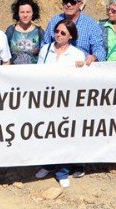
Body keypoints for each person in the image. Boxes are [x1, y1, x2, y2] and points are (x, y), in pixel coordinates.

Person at [35, 20, 87, 187]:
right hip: (47, 99)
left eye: (63, 32)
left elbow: (81, 80)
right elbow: (37, 72)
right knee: (47, 133)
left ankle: (62, 171)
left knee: (64, 136)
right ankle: (48, 165)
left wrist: (82, 67)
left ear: (71, 36)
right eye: (57, 31)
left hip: (67, 102)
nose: (58, 34)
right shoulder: (46, 49)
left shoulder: (77, 54)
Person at [41, 0, 106, 64]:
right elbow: (45, 44)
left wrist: (93, 57)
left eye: (72, 1)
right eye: (65, 1)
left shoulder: (91, 25)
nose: (68, 5)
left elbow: (99, 50)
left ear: (80, 4)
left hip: (80, 69)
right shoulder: (54, 22)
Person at [5, 0, 44, 65]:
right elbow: (4, 53)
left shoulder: (39, 32)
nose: (25, 15)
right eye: (22, 12)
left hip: (33, 73)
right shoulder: (10, 31)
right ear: (18, 14)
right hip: (13, 73)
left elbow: (44, 55)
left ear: (33, 13)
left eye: (28, 12)